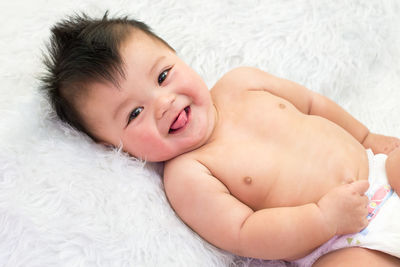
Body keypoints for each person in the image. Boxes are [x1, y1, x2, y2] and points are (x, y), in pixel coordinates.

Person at [41, 13, 400, 266]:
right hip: (338, 242)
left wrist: (367, 136)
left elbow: (312, 104)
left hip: (377, 173)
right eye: (134, 114)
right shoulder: (188, 175)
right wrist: (324, 220)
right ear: (113, 147)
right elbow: (245, 233)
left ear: (179, 57)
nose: (163, 103)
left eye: (163, 75)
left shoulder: (242, 82)